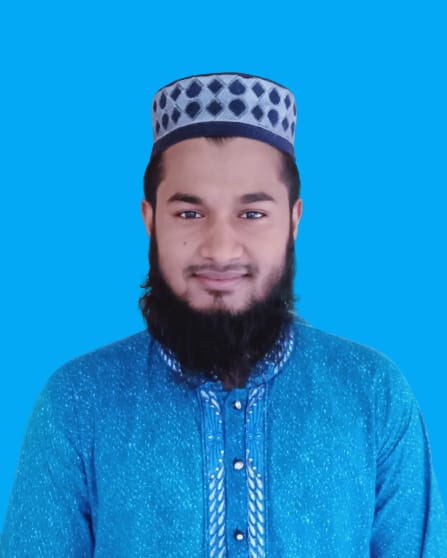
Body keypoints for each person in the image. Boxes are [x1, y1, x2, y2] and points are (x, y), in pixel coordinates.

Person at [1, 72, 447, 557]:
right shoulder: (77, 403)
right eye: (190, 214)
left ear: (293, 220)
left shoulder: (373, 394)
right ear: (150, 220)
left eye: (252, 214)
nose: (220, 249)